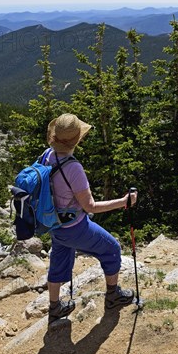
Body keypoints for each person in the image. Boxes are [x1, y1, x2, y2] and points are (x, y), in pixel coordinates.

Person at [44, 113, 137, 324]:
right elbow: (90, 206)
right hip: (74, 227)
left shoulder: (47, 156)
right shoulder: (73, 168)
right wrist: (124, 202)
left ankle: (54, 307)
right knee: (112, 248)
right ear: (77, 139)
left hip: (54, 225)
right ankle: (113, 296)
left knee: (59, 259)